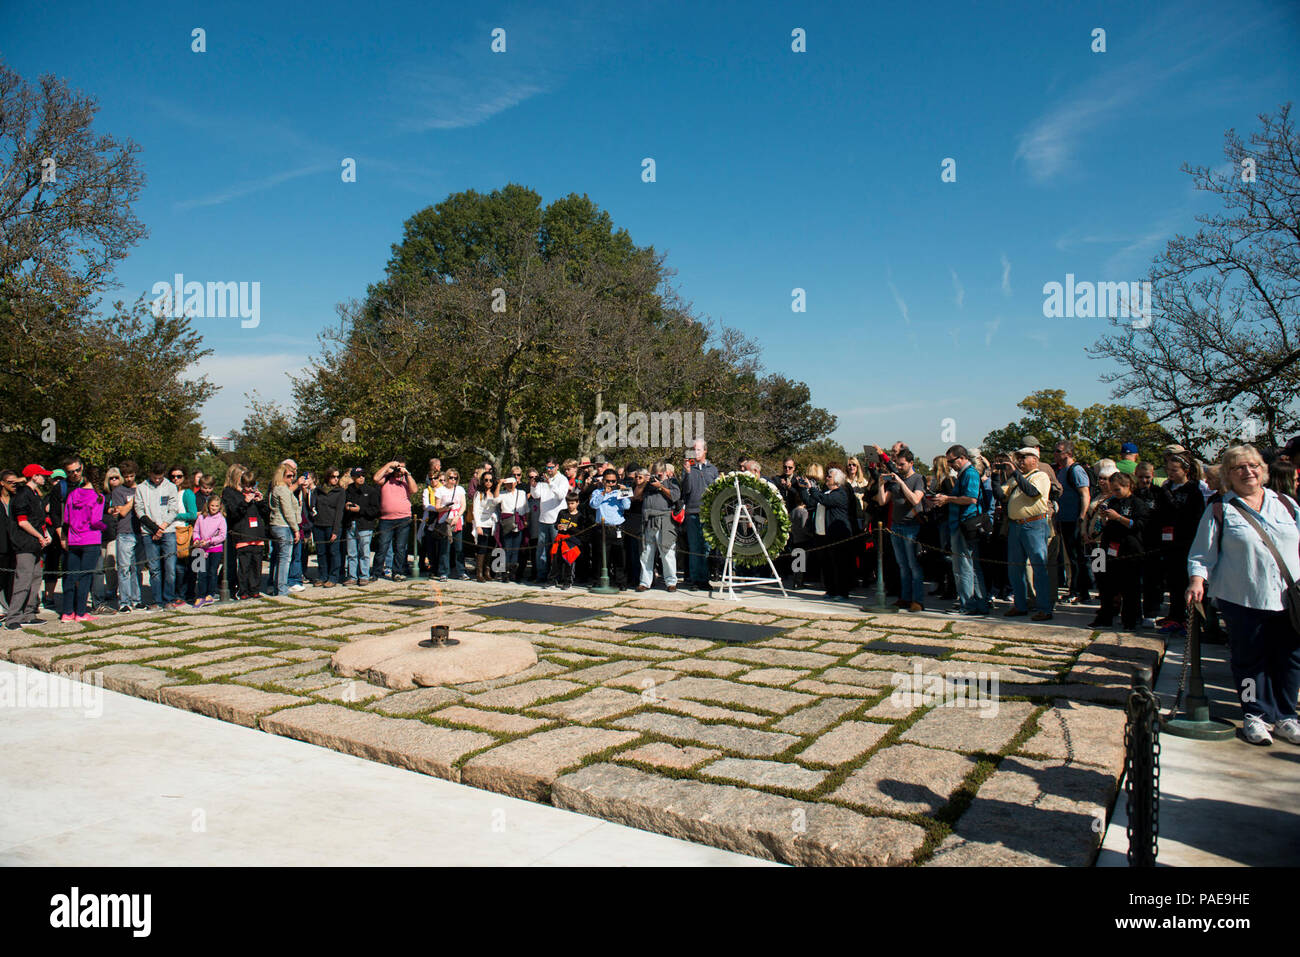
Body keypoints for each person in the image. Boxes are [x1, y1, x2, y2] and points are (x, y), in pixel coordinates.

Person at [1187, 444, 1300, 746]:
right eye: (1239, 467)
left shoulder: (1286, 504)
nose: (1248, 471)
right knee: (1249, 662)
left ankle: (1286, 715)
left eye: (1253, 466)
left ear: (1263, 470)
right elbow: (1201, 554)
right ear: (1228, 474)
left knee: (1289, 659)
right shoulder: (1219, 509)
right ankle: (1254, 714)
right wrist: (1197, 580)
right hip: (1242, 598)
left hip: (1288, 599)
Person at [1152, 449, 1205, 636]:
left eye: (1175, 470)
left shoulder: (1193, 490)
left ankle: (1183, 618)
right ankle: (1173, 613)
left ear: (1185, 470)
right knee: (1172, 580)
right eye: (1169, 470)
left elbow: (1192, 515)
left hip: (1185, 540)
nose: (1170, 474)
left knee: (1182, 580)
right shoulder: (1166, 488)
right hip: (1167, 540)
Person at [998, 447, 1054, 621]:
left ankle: (1045, 608)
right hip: (1016, 526)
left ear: (1035, 460)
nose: (1020, 460)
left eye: (1024, 457)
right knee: (1015, 568)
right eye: (1018, 458)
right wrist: (994, 474)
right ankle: (1020, 604)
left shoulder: (1040, 476)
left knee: (1039, 566)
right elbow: (1000, 494)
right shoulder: (1016, 478)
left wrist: (1015, 474)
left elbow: (1032, 492)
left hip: (1034, 524)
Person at [933, 445, 989, 616]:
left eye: (952, 461)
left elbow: (971, 499)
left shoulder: (970, 473)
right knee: (971, 566)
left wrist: (947, 498)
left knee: (963, 567)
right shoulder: (963, 474)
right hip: (959, 524)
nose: (950, 465)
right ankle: (978, 603)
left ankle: (968, 604)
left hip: (965, 524)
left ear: (962, 457)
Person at [1088, 472, 1149, 630]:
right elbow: (1106, 524)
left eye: (1117, 489)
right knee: (1106, 586)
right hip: (1109, 548)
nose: (1115, 492)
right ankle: (1105, 617)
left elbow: (1140, 525)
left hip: (1130, 549)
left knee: (1130, 589)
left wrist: (1119, 518)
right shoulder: (1112, 501)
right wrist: (1104, 517)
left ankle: (1130, 621)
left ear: (1128, 486)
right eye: (1113, 490)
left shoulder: (1137, 503)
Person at [876, 448, 927, 611]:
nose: (898, 467)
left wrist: (901, 482)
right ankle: (904, 597)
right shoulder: (894, 481)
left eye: (902, 464)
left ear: (911, 463)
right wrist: (881, 485)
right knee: (902, 565)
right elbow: (882, 501)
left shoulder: (918, 479)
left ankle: (917, 600)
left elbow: (915, 499)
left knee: (914, 565)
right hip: (896, 526)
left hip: (912, 527)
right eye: (897, 464)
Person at [797, 466, 855, 601]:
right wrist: (802, 488)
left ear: (837, 481)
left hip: (837, 534)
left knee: (839, 564)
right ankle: (831, 590)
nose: (827, 478)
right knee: (827, 563)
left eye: (830, 476)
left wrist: (811, 488)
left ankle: (842, 592)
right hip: (823, 534)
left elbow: (824, 500)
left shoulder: (840, 494)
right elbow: (811, 502)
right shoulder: (826, 492)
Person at [4, 465, 52, 628]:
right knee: (23, 581)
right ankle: (13, 617)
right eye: (42, 475)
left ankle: (29, 613)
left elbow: (39, 519)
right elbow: (22, 521)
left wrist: (46, 535)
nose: (44, 478)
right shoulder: (22, 495)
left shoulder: (35, 495)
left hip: (35, 545)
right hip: (25, 544)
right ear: (34, 476)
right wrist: (39, 536)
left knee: (35, 579)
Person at [59, 463, 107, 621]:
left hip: (74, 539)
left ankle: (67, 612)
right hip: (90, 539)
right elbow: (95, 520)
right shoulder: (98, 497)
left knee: (71, 576)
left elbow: (66, 518)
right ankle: (80, 612)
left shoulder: (72, 494)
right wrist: (105, 526)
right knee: (85, 577)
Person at [134, 463, 181, 610]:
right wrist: (154, 529)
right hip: (149, 532)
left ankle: (169, 598)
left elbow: (173, 510)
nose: (156, 481)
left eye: (159, 478)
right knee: (154, 568)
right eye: (154, 478)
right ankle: (157, 600)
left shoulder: (170, 487)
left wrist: (163, 527)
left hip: (168, 531)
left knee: (170, 568)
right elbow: (139, 510)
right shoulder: (141, 488)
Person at [1053, 440, 1093, 605]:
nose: (1055, 453)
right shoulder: (1062, 471)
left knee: (1077, 557)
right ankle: (1078, 590)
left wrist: (1082, 516)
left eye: (1058, 451)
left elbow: (1085, 493)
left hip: (1074, 519)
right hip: (1064, 519)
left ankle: (1078, 591)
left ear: (1068, 453)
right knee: (1071, 557)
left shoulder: (1076, 470)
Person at [680, 439, 719, 590]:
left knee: (706, 547)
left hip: (708, 512)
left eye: (698, 449)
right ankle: (696, 580)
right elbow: (686, 490)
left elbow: (716, 490)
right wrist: (688, 473)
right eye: (693, 449)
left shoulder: (712, 469)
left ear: (705, 451)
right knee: (695, 547)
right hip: (693, 512)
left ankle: (705, 578)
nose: (695, 452)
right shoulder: (688, 468)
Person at [637, 460, 681, 592]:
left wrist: (660, 486)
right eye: (654, 475)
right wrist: (643, 482)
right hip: (648, 519)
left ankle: (671, 581)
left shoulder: (672, 482)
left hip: (665, 519)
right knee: (646, 553)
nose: (656, 478)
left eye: (659, 475)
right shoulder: (647, 484)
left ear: (666, 473)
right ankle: (645, 581)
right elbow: (636, 496)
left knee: (667, 552)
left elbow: (675, 496)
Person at [374, 461, 417, 581]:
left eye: (402, 468)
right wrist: (388, 465)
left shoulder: (406, 480)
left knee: (400, 547)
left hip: (403, 518)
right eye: (398, 468)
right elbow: (376, 478)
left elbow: (414, 490)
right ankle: (376, 572)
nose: (399, 471)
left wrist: (407, 474)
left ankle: (397, 572)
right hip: (386, 519)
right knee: (382, 547)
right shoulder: (387, 478)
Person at [229, 468, 269, 599]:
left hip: (257, 536)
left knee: (256, 565)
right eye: (247, 485)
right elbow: (234, 515)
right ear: (242, 484)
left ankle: (255, 590)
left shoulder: (256, 497)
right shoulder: (237, 496)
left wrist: (261, 502)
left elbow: (266, 514)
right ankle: (243, 591)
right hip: (243, 537)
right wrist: (245, 502)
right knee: (244, 567)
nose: (250, 488)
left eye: (252, 485)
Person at [589, 468, 631, 589]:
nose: (611, 484)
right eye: (608, 481)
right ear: (603, 481)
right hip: (602, 528)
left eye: (613, 481)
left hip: (617, 527)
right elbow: (593, 505)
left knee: (619, 557)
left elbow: (627, 506)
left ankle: (621, 582)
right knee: (600, 557)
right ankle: (598, 580)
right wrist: (603, 494)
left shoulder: (620, 492)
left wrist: (623, 493)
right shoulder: (597, 492)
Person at [531, 459, 571, 584]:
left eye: (551, 467)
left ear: (557, 466)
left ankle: (556, 575)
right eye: (547, 467)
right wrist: (534, 485)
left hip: (556, 519)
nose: (549, 470)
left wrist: (550, 484)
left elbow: (561, 495)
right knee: (541, 549)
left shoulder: (562, 479)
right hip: (543, 518)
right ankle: (541, 574)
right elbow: (536, 495)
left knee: (556, 549)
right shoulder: (544, 479)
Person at [110, 463, 143, 612]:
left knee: (136, 568)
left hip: (139, 532)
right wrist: (134, 500)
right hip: (124, 532)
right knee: (124, 569)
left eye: (132, 476)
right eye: (126, 476)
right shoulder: (118, 491)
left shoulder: (142, 489)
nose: (129, 479)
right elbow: (121, 512)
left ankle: (136, 599)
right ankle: (124, 601)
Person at [268, 463, 301, 597]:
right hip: (283, 526)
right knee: (284, 559)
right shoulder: (282, 489)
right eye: (288, 476)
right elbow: (288, 511)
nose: (291, 479)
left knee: (279, 558)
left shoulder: (276, 488)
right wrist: (296, 529)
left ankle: (277, 586)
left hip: (276, 525)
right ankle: (281, 589)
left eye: (293, 476)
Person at [343, 467, 380, 585]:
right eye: (358, 476)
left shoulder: (371, 491)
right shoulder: (348, 490)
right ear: (353, 477)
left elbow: (376, 510)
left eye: (363, 475)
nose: (361, 478)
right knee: (351, 553)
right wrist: (347, 507)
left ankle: (364, 575)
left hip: (365, 525)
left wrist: (361, 510)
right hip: (351, 524)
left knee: (364, 552)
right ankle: (352, 576)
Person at [191, 492, 227, 607]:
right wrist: (196, 539)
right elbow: (196, 530)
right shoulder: (201, 517)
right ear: (208, 505)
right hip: (201, 549)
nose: (214, 508)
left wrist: (210, 540)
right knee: (201, 572)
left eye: (216, 506)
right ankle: (200, 595)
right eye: (212, 506)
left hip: (215, 549)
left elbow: (222, 535)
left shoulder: (221, 519)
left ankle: (210, 593)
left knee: (212, 572)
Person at [312, 468, 345, 587]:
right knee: (321, 552)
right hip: (319, 525)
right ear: (327, 477)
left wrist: (335, 530)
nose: (336, 479)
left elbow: (339, 511)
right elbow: (312, 505)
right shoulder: (318, 490)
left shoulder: (340, 492)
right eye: (333, 476)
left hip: (332, 525)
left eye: (337, 476)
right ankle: (322, 575)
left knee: (333, 552)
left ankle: (333, 576)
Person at [170, 465, 198, 603]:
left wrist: (175, 516)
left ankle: (182, 594)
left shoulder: (187, 493)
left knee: (181, 566)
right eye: (173, 476)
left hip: (183, 531)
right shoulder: (169, 491)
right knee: (171, 565)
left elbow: (192, 514)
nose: (175, 479)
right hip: (169, 531)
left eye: (179, 476)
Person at [496, 474, 529, 582]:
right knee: (507, 548)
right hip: (507, 522)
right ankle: (505, 572)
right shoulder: (502, 494)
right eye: (507, 484)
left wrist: (525, 521)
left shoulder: (522, 493)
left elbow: (526, 508)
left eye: (511, 484)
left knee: (515, 549)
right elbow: (495, 500)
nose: (509, 486)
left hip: (518, 522)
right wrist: (499, 484)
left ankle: (512, 573)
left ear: (515, 483)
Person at [549, 493, 583, 589]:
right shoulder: (562, 512)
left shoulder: (580, 516)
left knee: (569, 562)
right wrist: (558, 526)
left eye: (572, 503)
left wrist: (570, 528)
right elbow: (556, 524)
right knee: (556, 560)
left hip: (571, 542)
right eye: (568, 503)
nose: (570, 506)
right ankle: (553, 580)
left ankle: (568, 581)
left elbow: (581, 531)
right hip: (560, 539)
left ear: (577, 503)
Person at [471, 470, 500, 581]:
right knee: (481, 549)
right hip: (482, 523)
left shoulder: (493, 493)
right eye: (486, 480)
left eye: (490, 480)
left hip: (492, 523)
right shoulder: (479, 494)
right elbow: (475, 510)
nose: (488, 482)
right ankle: (479, 572)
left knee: (490, 549)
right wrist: (478, 526)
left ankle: (487, 570)